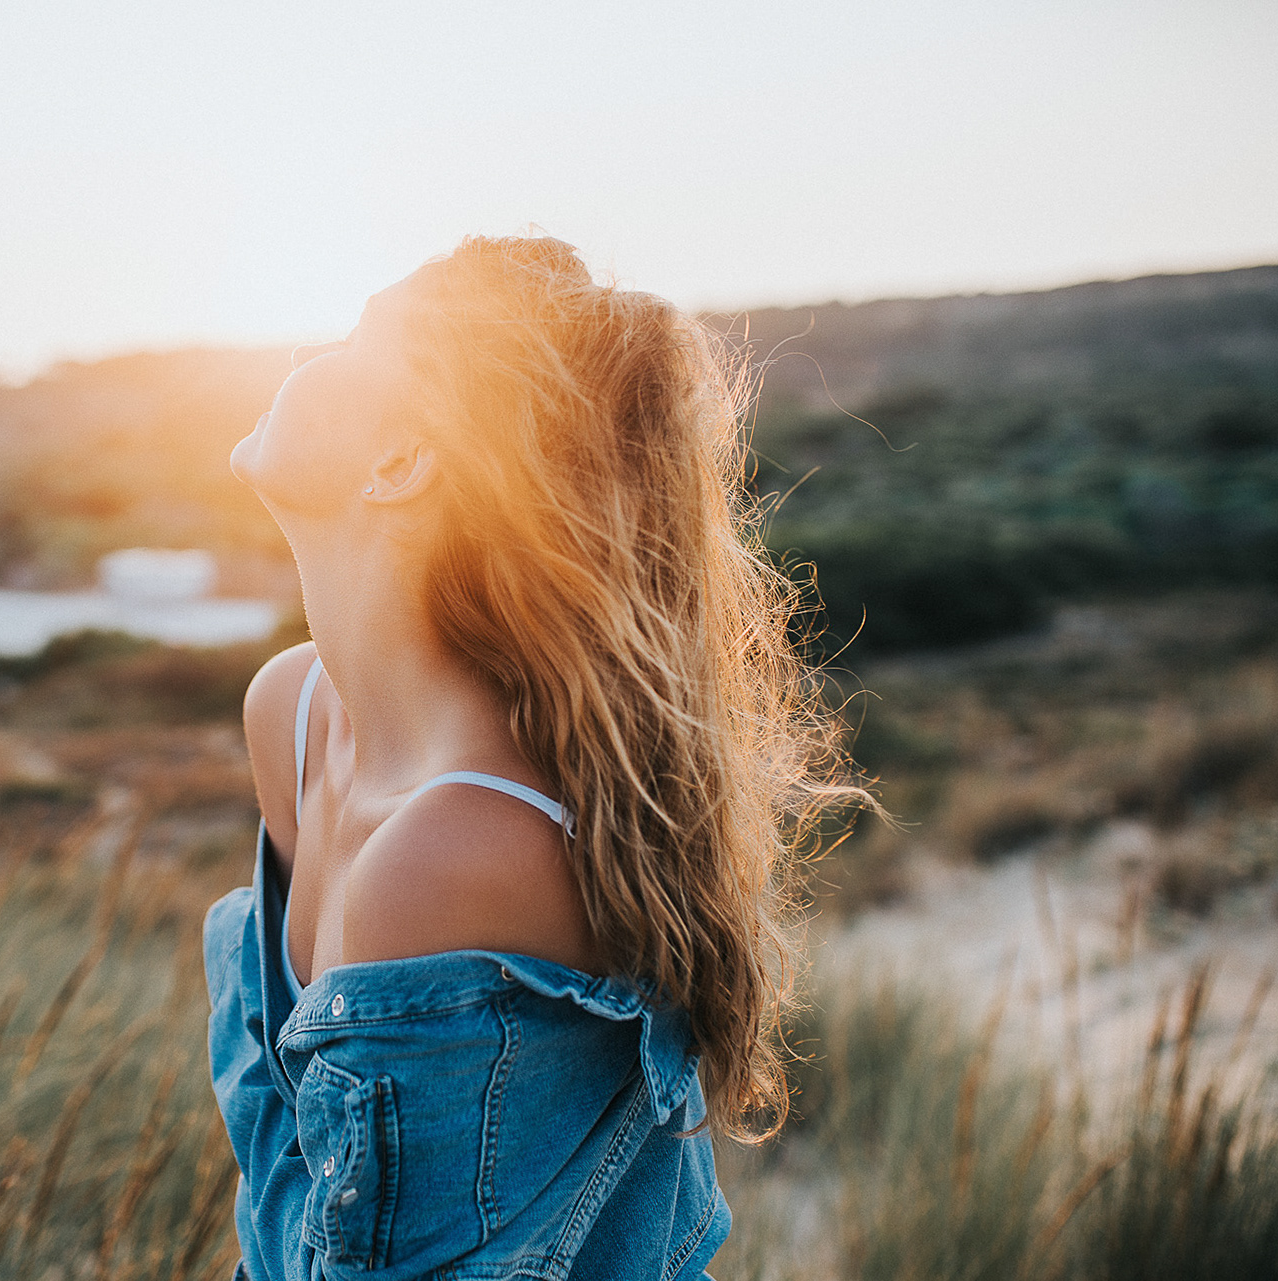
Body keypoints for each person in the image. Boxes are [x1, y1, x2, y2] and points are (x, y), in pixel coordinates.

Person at [204, 235, 853, 1280]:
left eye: (354, 341)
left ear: (401, 464)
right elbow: (292, 1172)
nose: (301, 355)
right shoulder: (293, 713)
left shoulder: (451, 857)